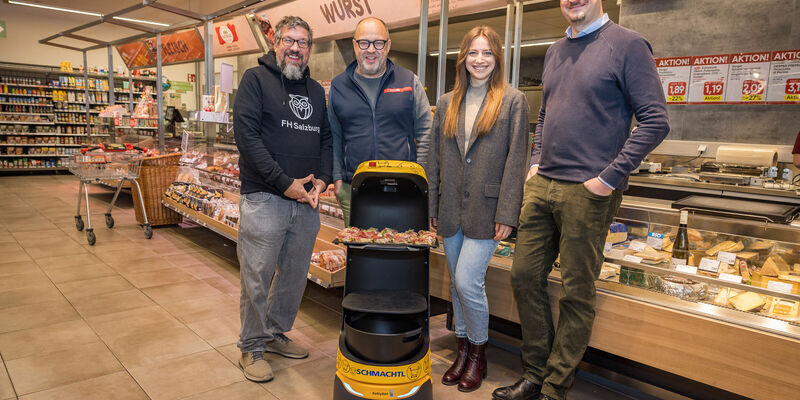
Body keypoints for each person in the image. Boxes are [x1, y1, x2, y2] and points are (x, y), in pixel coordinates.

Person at [492, 1, 669, 399]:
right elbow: (547, 113)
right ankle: (534, 374)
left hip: (589, 192)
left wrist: (609, 177)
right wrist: (536, 162)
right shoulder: (556, 50)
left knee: (576, 291)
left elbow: (656, 119)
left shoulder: (628, 44)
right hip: (543, 185)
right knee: (523, 276)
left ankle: (555, 387)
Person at [428, 26, 530, 393]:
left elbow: (516, 162)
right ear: (463, 58)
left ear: (497, 57)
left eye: (487, 53)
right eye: (473, 52)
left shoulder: (512, 101)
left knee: (467, 282)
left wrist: (508, 213)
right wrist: (432, 204)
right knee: (455, 286)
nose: (480, 60)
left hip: (488, 212)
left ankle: (478, 354)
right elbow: (435, 159)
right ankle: (461, 350)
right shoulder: (447, 101)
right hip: (451, 208)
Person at [233, 15, 332, 383]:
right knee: (256, 276)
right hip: (264, 197)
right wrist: (283, 182)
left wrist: (321, 180)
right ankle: (251, 346)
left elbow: (325, 139)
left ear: (310, 48)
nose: (295, 47)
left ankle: (275, 333)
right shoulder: (255, 80)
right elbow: (248, 139)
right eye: (289, 40)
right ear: (275, 42)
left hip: (306, 201)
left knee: (293, 275)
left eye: (303, 42)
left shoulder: (315, 92)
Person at [328, 17, 432, 226]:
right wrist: (338, 180)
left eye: (378, 43)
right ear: (355, 45)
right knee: (360, 255)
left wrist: (419, 179)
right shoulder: (338, 86)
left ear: (388, 45)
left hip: (404, 188)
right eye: (364, 43)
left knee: (402, 253)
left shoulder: (409, 81)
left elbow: (426, 132)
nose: (371, 50)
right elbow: (334, 135)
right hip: (354, 189)